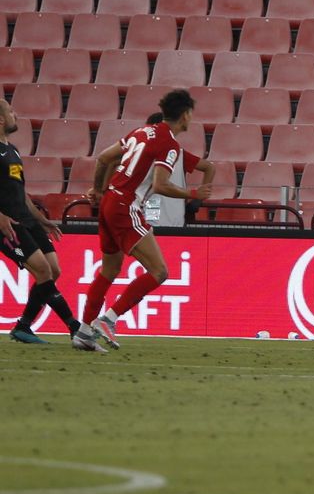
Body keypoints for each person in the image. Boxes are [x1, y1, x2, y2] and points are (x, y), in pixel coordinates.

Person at [82, 89, 213, 349]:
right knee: (159, 271)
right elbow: (161, 185)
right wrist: (193, 193)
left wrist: (98, 190)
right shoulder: (170, 144)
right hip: (126, 205)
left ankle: (83, 332)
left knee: (109, 270)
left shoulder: (140, 132)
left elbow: (103, 158)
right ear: (186, 115)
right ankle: (108, 318)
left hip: (110, 201)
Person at [0, 97, 104, 350]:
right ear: (1, 119)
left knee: (53, 270)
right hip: (7, 225)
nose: (16, 114)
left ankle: (24, 326)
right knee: (43, 271)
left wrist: (41, 219)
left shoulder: (11, 150)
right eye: (11, 111)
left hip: (25, 219)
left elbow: (20, 193)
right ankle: (74, 328)